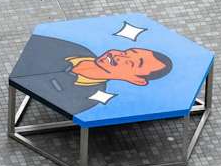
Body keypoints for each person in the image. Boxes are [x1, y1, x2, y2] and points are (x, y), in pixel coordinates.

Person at [10, 35, 173, 117]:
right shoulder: (72, 49)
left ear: (136, 80)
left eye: (130, 63)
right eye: (126, 52)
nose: (117, 56)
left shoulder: (87, 98)